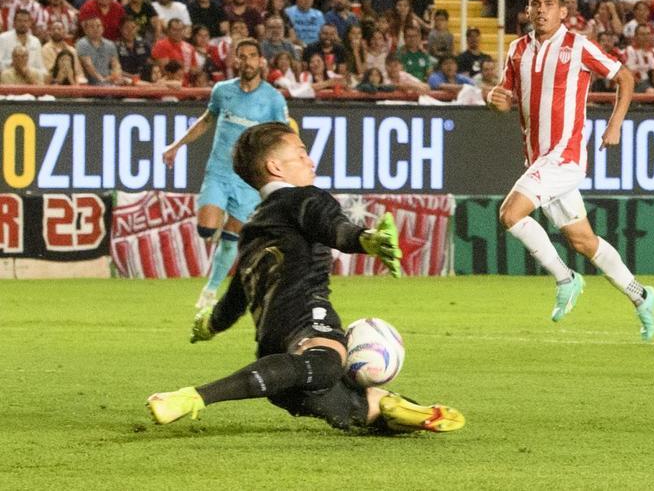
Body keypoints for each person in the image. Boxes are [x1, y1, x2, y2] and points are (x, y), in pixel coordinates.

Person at [147, 122, 464, 434]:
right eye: (300, 154)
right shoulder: (303, 198)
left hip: (272, 349)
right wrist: (366, 238)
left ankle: (394, 406)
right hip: (307, 319)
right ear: (275, 166)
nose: (309, 161)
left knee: (347, 407)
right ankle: (194, 397)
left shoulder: (252, 230)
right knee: (326, 366)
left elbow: (236, 299)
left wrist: (210, 325)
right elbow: (333, 227)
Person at [486, 0, 654, 339]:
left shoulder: (578, 46)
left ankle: (566, 278)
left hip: (564, 157)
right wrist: (494, 100)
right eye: (535, 4)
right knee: (582, 240)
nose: (541, 10)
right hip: (538, 159)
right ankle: (641, 295)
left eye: (549, 4)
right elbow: (505, 94)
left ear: (563, 11)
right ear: (528, 10)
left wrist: (615, 125)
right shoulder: (517, 50)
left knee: (509, 214)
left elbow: (624, 77)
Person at [162, 40, 289, 310]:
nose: (247, 62)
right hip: (219, 171)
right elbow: (207, 119)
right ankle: (225, 233)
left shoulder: (273, 99)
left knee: (231, 238)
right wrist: (176, 145)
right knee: (206, 228)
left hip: (248, 180)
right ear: (236, 61)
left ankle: (210, 290)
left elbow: (284, 136)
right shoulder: (222, 91)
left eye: (252, 56)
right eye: (242, 57)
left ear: (261, 61)